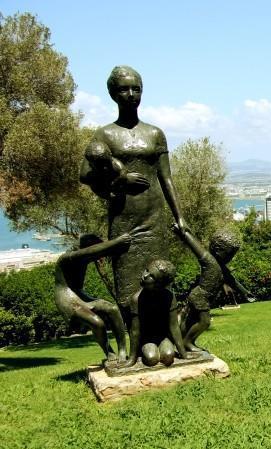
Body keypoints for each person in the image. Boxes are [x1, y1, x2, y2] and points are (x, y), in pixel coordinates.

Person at [80, 66, 189, 330]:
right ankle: (135, 346)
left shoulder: (155, 134)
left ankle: (164, 338)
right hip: (124, 220)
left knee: (160, 279)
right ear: (112, 94)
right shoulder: (105, 135)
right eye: (123, 89)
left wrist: (180, 217)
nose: (131, 94)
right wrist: (119, 181)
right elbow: (86, 175)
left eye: (136, 89)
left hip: (154, 219)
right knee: (128, 283)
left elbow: (167, 179)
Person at [54, 227, 147, 362]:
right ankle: (108, 351)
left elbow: (98, 252)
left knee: (112, 309)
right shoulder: (67, 258)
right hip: (66, 299)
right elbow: (91, 252)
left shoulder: (85, 257)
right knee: (97, 323)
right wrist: (117, 241)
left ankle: (122, 350)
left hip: (79, 294)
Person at [174, 226, 256, 352]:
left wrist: (245, 293)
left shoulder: (223, 269)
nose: (231, 258)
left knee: (190, 321)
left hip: (204, 298)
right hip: (200, 296)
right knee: (205, 322)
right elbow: (195, 246)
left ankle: (182, 341)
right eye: (229, 254)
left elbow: (233, 282)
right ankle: (187, 342)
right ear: (218, 249)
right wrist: (183, 233)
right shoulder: (208, 260)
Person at [122, 259, 187, 367]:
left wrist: (183, 354)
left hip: (163, 337)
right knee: (151, 358)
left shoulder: (169, 297)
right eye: (146, 270)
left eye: (151, 276)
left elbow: (174, 326)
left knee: (168, 356)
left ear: (159, 284)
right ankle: (147, 352)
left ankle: (164, 351)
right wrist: (132, 359)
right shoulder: (137, 299)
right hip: (146, 339)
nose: (145, 275)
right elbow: (135, 331)